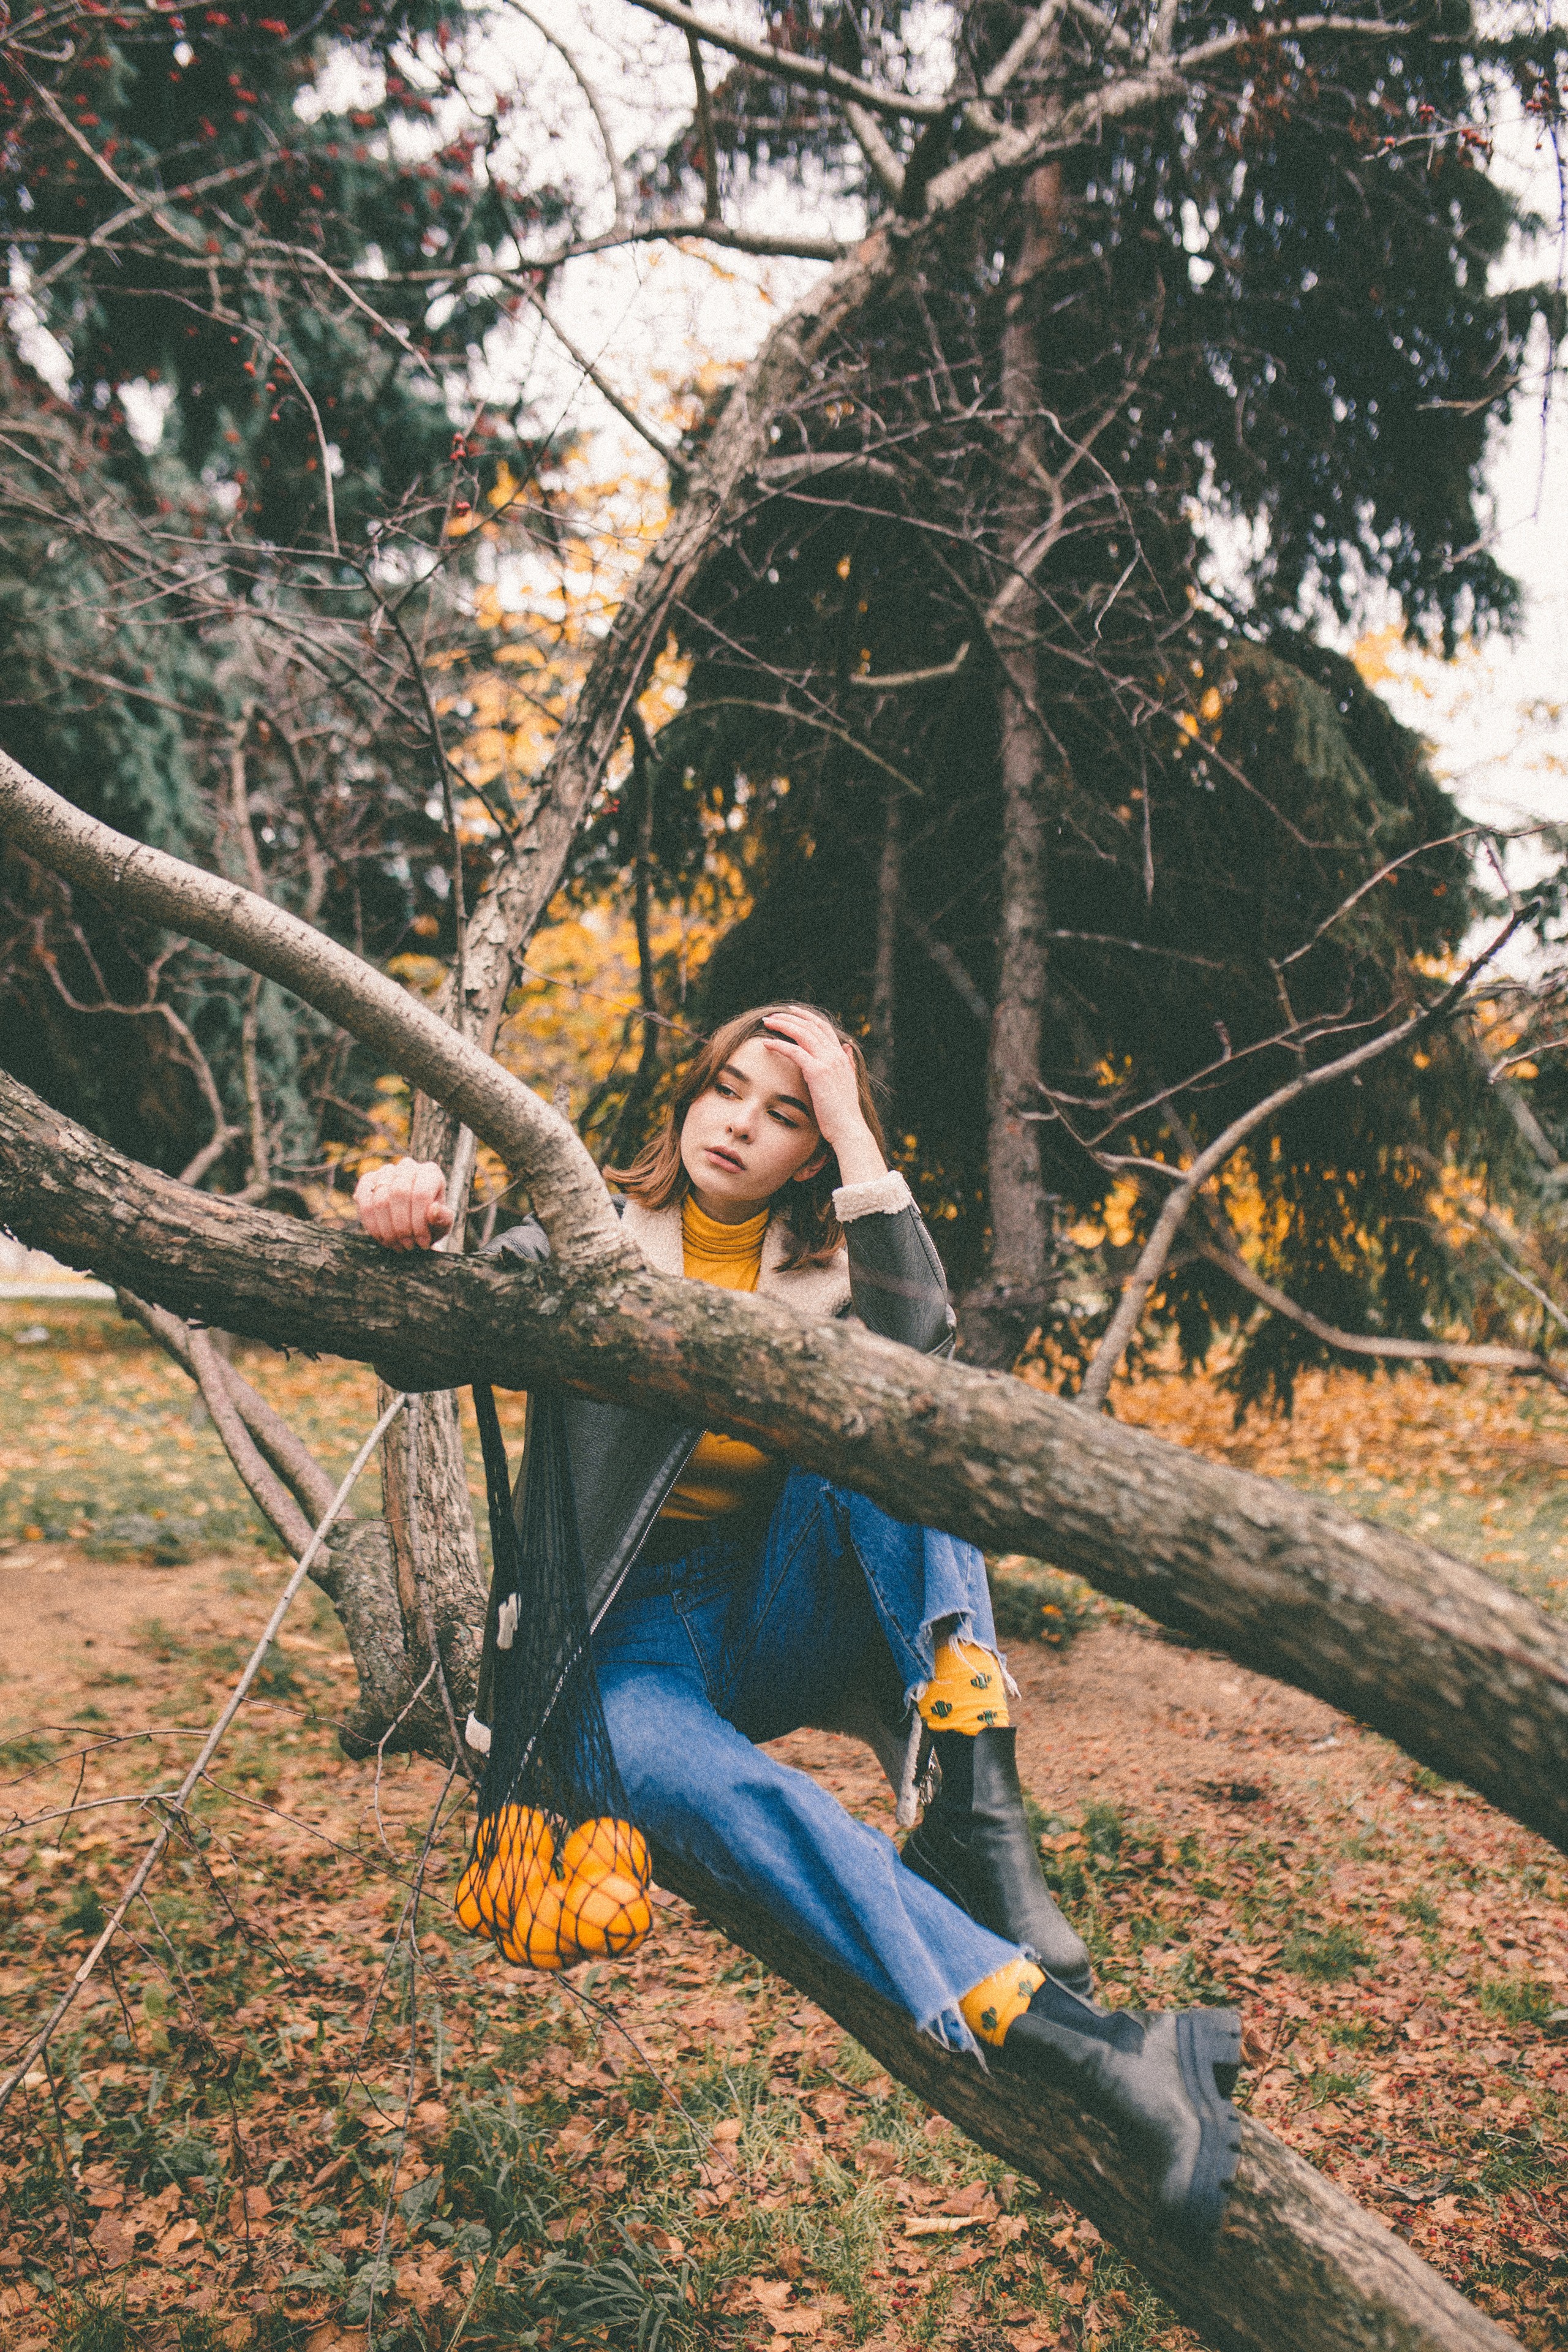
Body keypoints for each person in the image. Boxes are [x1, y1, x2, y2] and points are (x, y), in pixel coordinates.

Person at [355, 1001, 1241, 2252]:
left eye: (784, 1116)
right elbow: (419, 1343)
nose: (739, 1125)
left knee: (903, 1412)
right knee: (741, 1806)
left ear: (811, 1154)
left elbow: (923, 1347)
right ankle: (1103, 2055)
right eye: (726, 1089)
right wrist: (396, 1213)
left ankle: (977, 1818)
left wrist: (854, 1124)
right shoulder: (584, 1231)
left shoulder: (826, 1275)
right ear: (687, 1096)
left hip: (773, 1605)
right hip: (626, 1646)